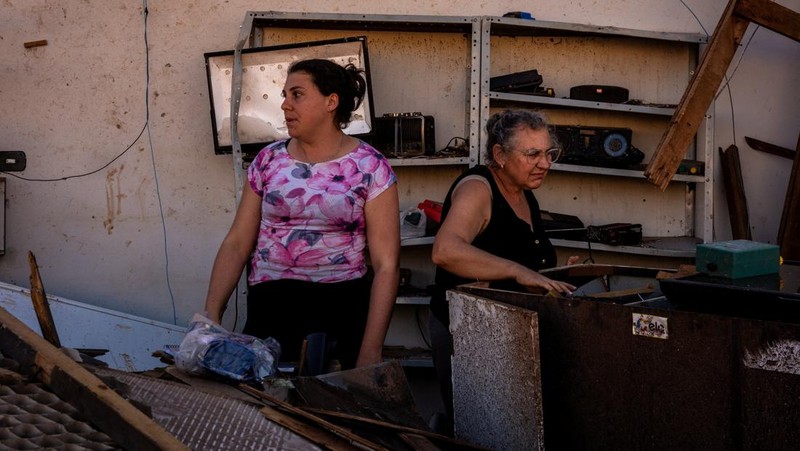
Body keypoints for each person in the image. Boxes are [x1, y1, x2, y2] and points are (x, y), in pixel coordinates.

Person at [203, 59, 400, 371]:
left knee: (328, 396)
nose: (285, 105)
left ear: (331, 102)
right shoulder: (268, 161)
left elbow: (387, 265)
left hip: (340, 307)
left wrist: (371, 350)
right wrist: (211, 317)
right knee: (265, 395)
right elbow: (237, 243)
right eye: (285, 95)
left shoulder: (370, 167)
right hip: (271, 305)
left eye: (297, 94)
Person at [428, 108, 578, 431]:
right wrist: (517, 271)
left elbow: (521, 261)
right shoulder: (477, 189)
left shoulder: (523, 192)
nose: (545, 164)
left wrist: (553, 276)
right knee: (479, 431)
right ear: (499, 155)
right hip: (468, 335)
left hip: (508, 335)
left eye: (549, 153)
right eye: (533, 154)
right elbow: (445, 250)